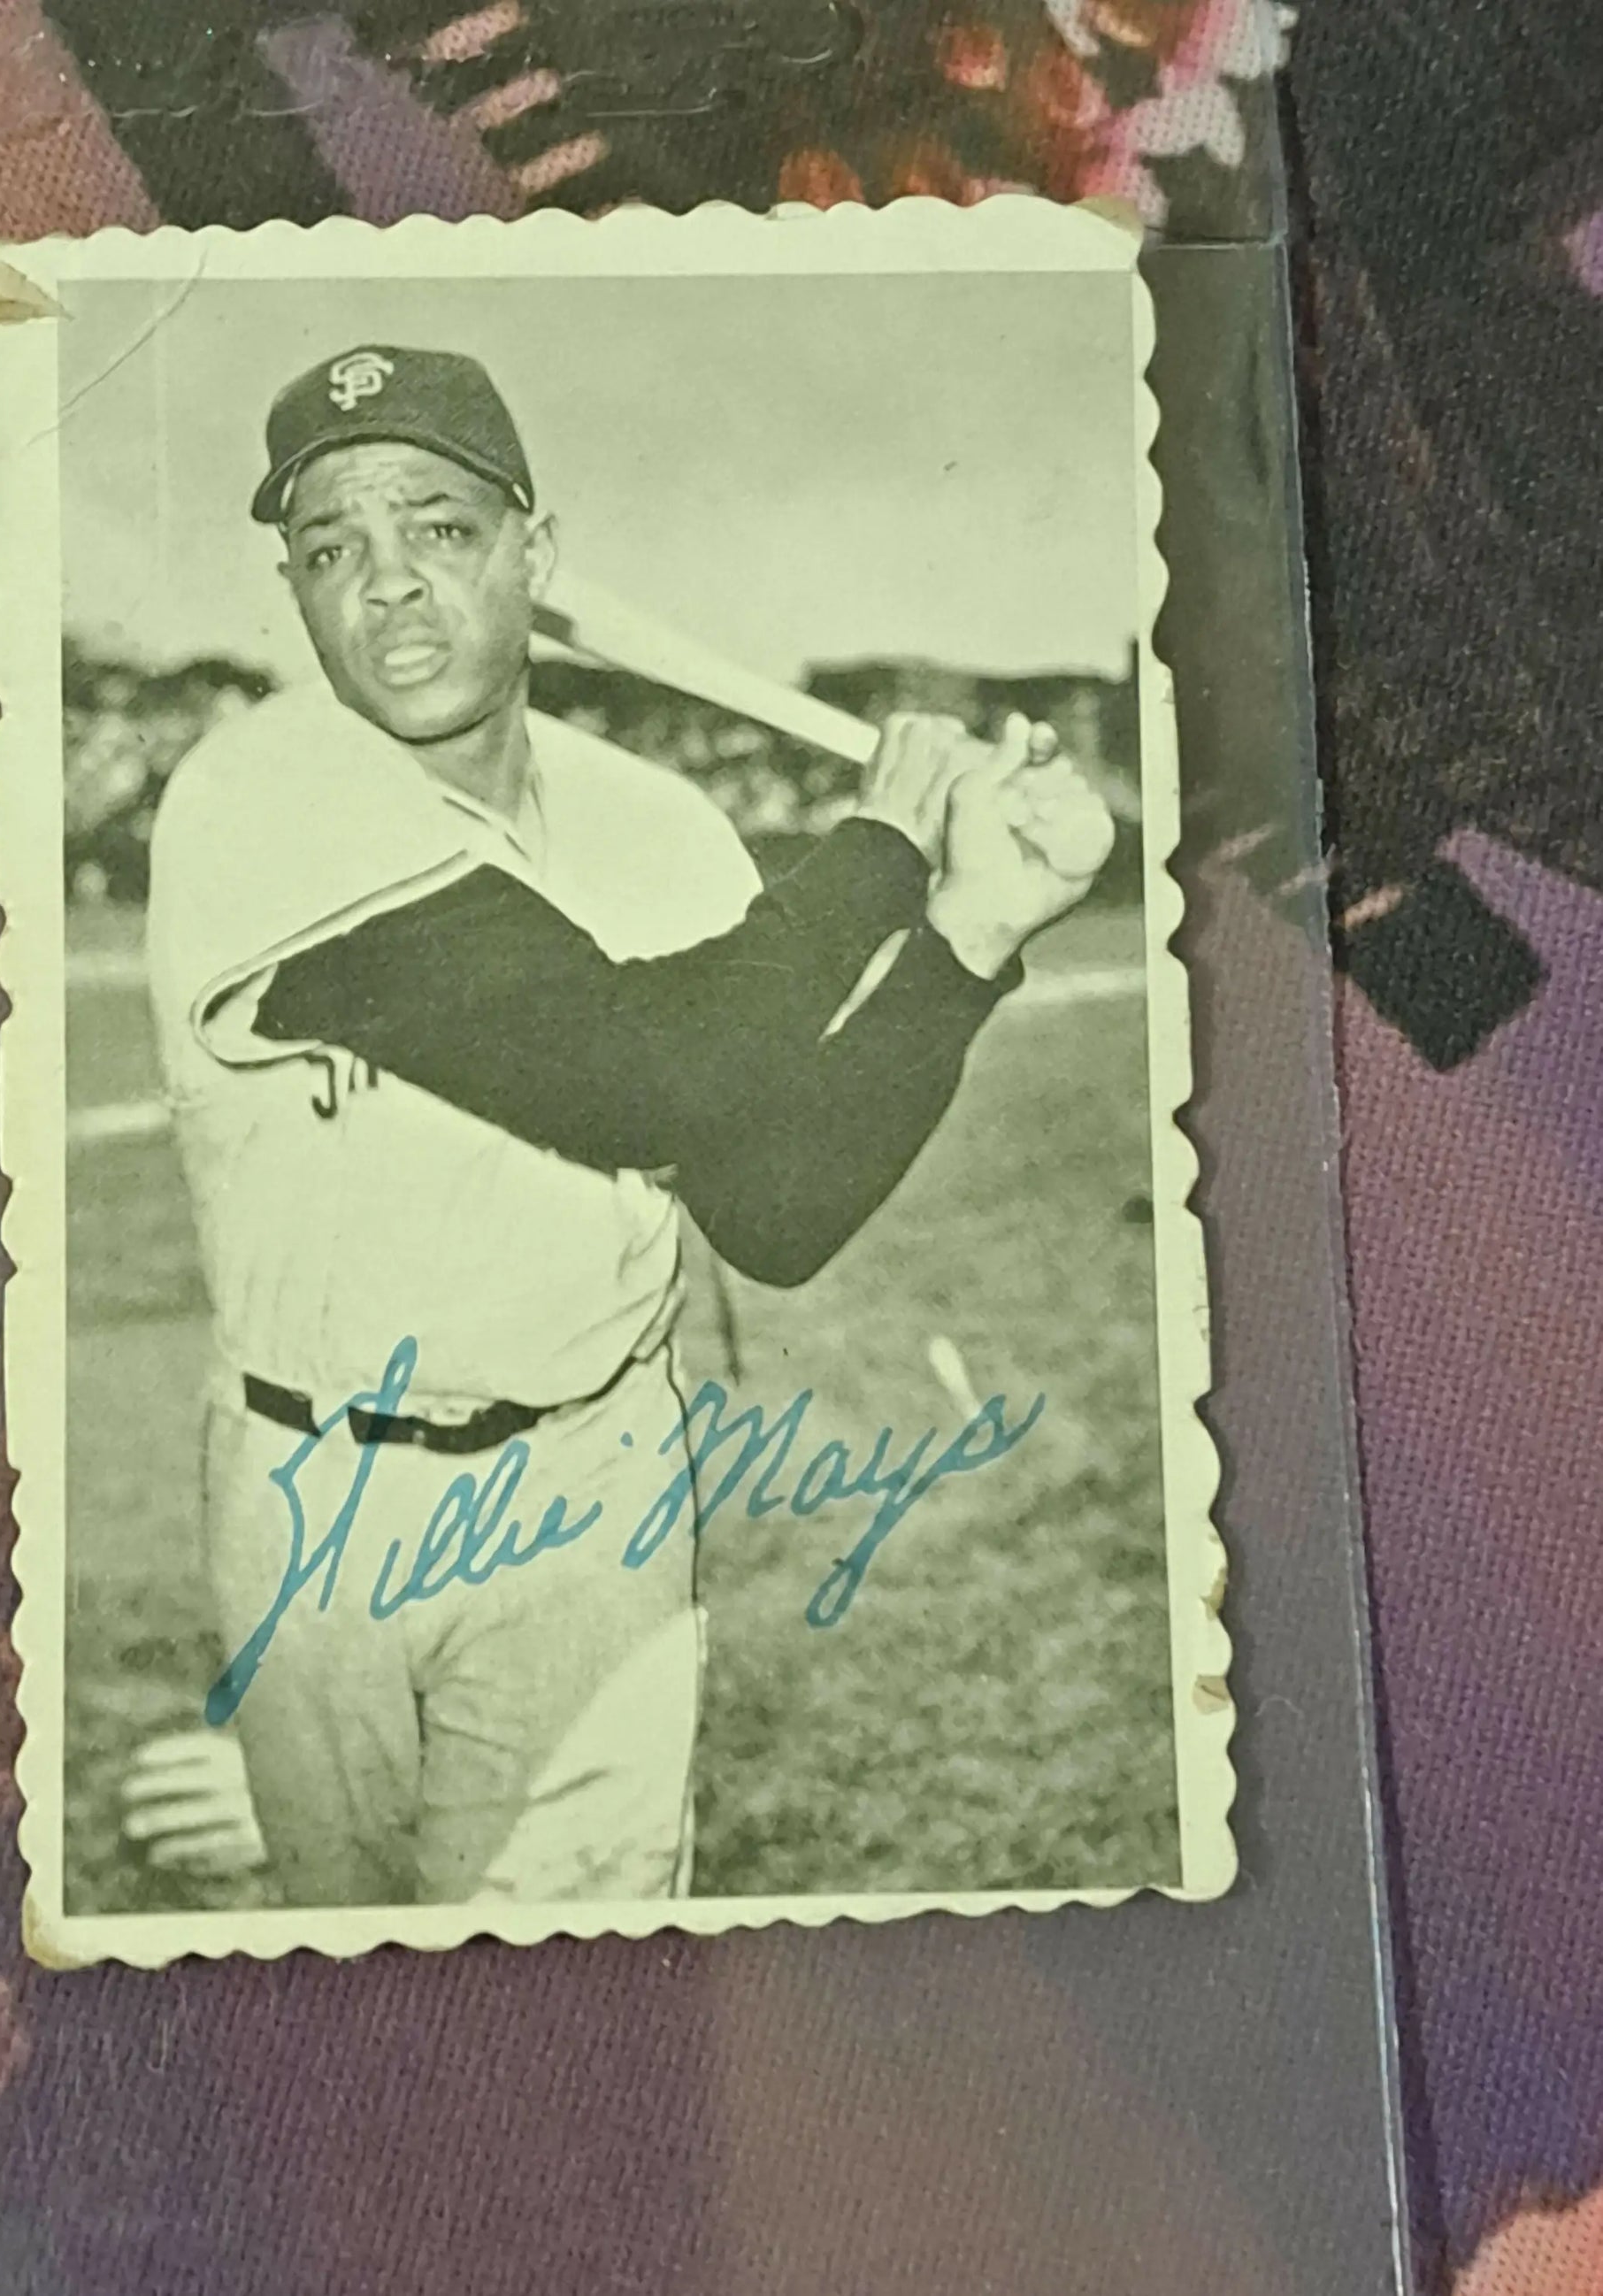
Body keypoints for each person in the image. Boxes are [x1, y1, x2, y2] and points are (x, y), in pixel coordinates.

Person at [143, 342, 1114, 1911]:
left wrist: (973, 937)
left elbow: (775, 1207)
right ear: (295, 590)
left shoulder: (663, 829)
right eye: (330, 547)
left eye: (440, 527)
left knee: (565, 1995)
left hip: (595, 1488)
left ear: (538, 552)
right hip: (305, 1492)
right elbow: (643, 1067)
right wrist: (881, 845)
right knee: (362, 1985)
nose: (385, 583)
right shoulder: (262, 795)